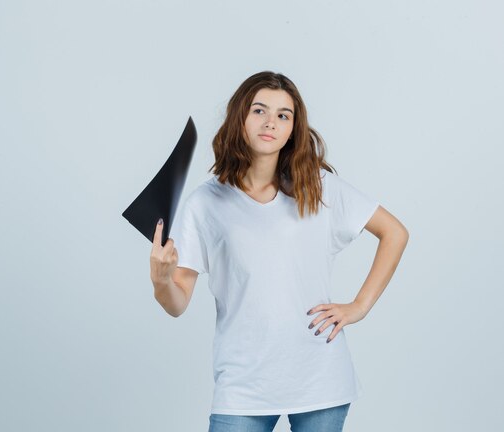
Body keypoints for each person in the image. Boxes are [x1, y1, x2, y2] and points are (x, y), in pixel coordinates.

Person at [149, 71, 409, 432]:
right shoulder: (205, 203)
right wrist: (162, 280)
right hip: (243, 384)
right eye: (259, 110)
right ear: (240, 117)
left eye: (283, 115)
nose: (270, 122)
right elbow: (176, 303)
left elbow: (394, 232)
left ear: (293, 129)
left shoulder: (319, 187)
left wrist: (358, 307)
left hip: (320, 378)